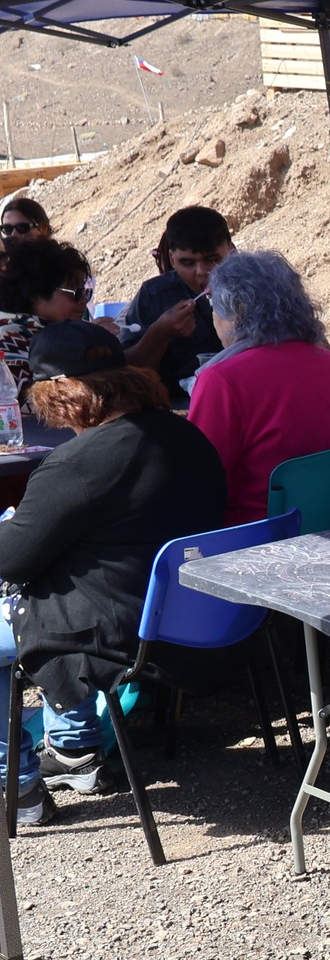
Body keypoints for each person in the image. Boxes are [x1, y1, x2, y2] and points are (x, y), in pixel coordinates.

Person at [0, 323, 227, 825]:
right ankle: (73, 746)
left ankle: (16, 790)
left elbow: (10, 560)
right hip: (203, 621)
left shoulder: (78, 464)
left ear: (58, 396)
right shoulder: (184, 434)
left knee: (22, 607)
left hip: (124, 630)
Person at [186, 250, 330, 524]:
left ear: (236, 310)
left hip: (256, 541)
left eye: (214, 309)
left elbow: (199, 481)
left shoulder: (222, 380)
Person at [120, 205, 232, 394]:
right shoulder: (155, 294)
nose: (201, 272)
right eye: (187, 263)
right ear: (172, 259)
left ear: (229, 250)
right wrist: (160, 332)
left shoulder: (253, 286)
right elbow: (128, 372)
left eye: (212, 259)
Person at [0, 239, 92, 401]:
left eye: (85, 291)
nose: (84, 300)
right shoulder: (10, 343)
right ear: (35, 294)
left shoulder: (58, 336)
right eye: (74, 291)